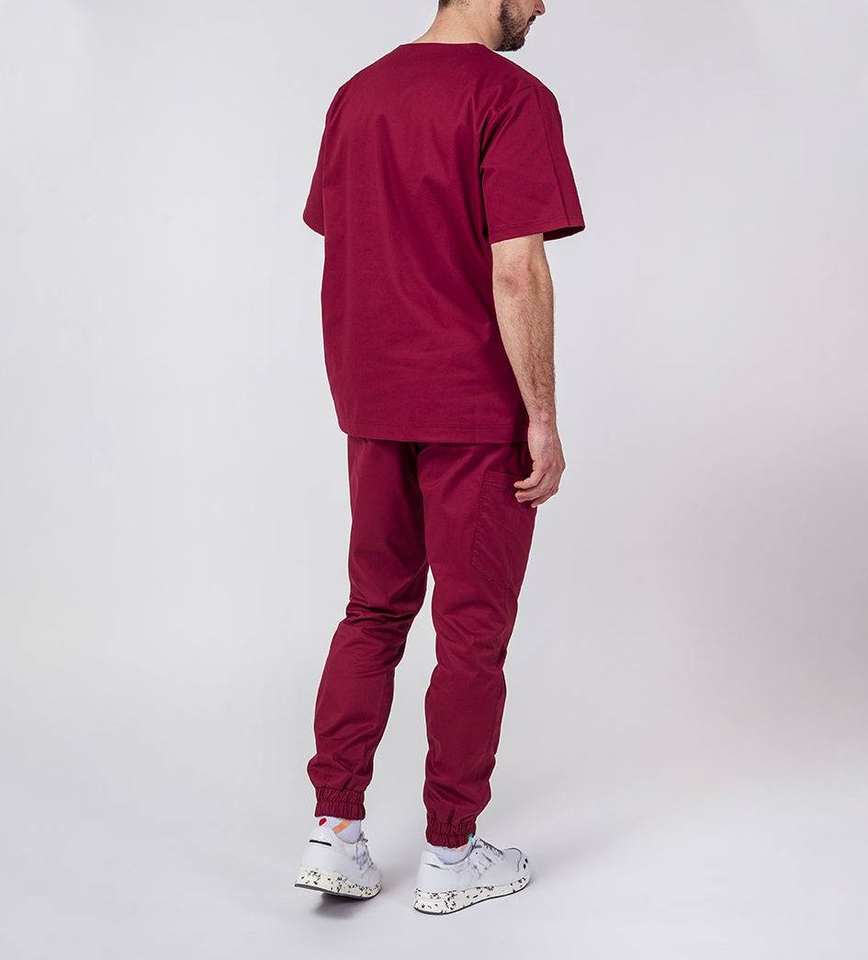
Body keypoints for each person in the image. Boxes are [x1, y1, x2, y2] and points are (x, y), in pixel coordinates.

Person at [295, 0, 585, 914]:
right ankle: (452, 854)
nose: (542, 6)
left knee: (373, 610)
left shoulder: (358, 95)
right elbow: (518, 267)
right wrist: (543, 416)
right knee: (471, 633)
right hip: (470, 405)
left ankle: (335, 832)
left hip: (373, 399)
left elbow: (351, 236)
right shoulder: (509, 97)